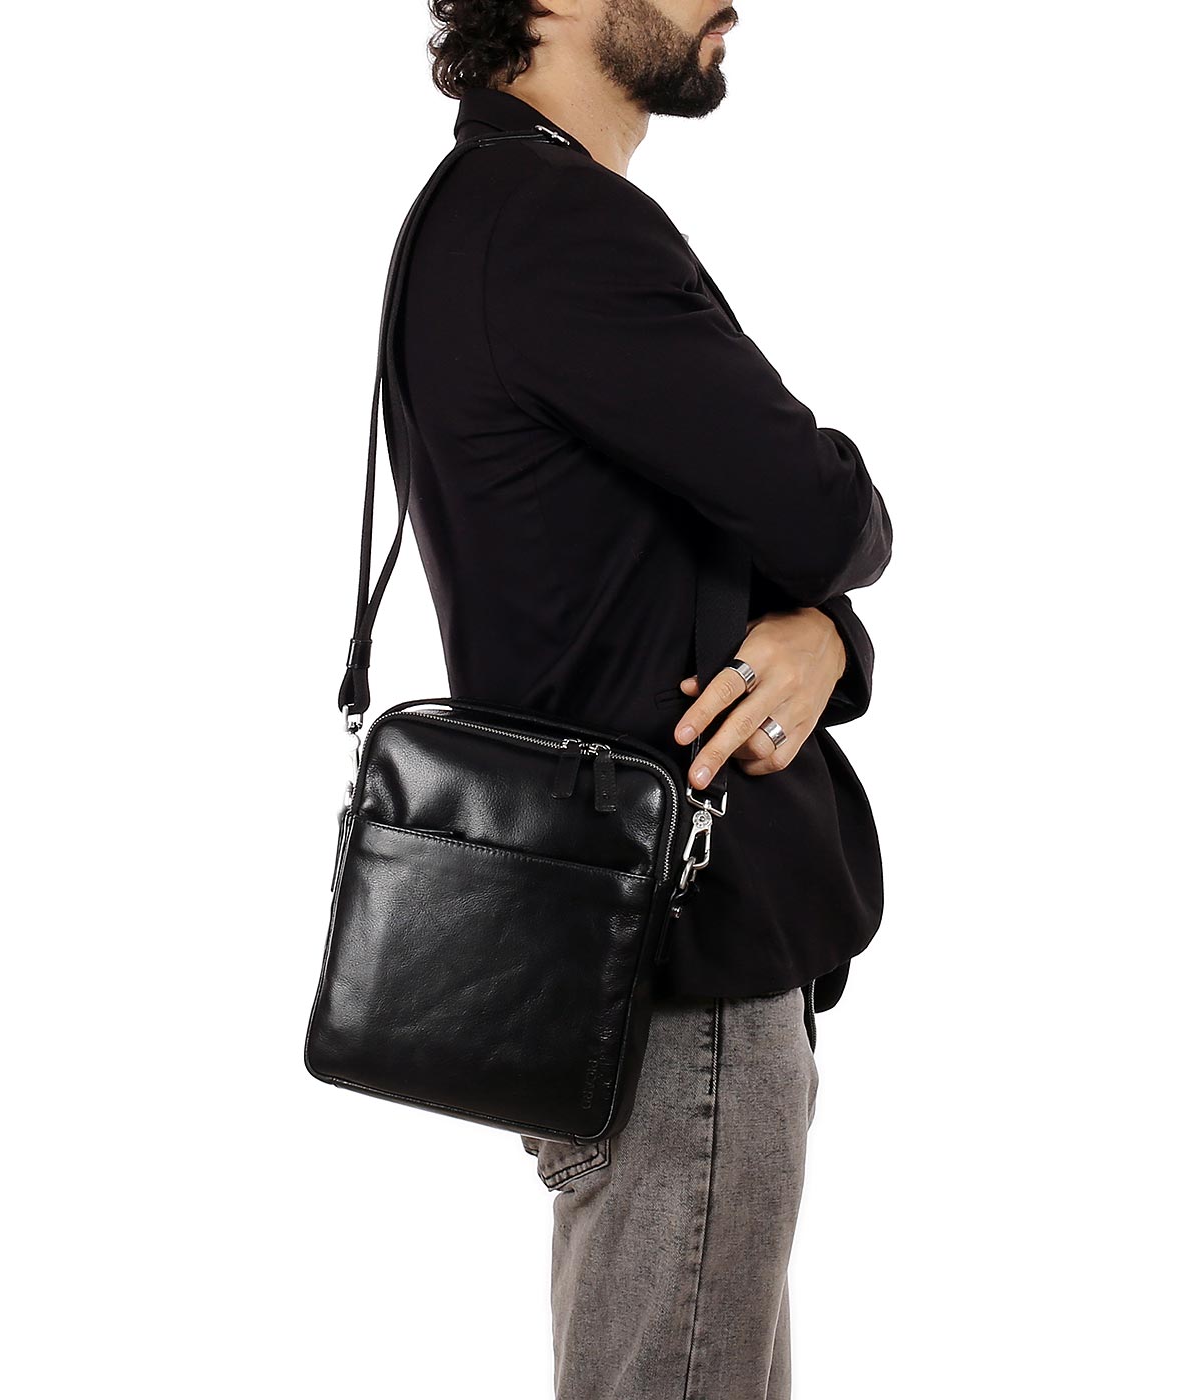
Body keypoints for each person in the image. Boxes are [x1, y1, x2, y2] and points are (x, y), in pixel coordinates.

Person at [392, 3, 894, 1395]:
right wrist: (834, 595)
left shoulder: (478, 213)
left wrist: (828, 640)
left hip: (610, 952)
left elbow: (705, 563)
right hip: (682, 966)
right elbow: (822, 512)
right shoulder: (560, 228)